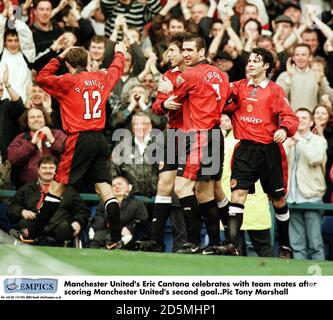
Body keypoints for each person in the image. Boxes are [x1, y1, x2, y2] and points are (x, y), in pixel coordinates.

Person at [11, 43, 127, 250]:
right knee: (105, 189)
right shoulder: (101, 78)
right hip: (100, 140)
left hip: (79, 138)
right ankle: (115, 239)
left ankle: (33, 234)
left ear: (69, 64)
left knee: (57, 186)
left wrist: (59, 57)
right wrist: (119, 52)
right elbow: (117, 68)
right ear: (86, 61)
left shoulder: (68, 80)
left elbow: (42, 77)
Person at [221, 47, 299, 259]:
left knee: (278, 200)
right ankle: (232, 245)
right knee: (237, 195)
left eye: (256, 61)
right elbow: (221, 99)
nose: (251, 64)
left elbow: (290, 117)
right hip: (245, 148)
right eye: (249, 61)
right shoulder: (237, 87)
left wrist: (284, 129)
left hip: (268, 150)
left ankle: (285, 246)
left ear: (266, 66)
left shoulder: (275, 91)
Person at [161, 34, 230, 254]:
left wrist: (165, 92)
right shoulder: (221, 75)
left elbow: (174, 101)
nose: (186, 54)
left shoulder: (189, 75)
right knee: (205, 192)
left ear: (202, 52)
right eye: (185, 50)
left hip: (199, 135)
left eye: (191, 50)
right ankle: (218, 244)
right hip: (215, 134)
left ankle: (192, 242)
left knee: (181, 186)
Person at [134, 32, 187, 252]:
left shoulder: (198, 74)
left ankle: (189, 242)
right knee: (165, 185)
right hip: (173, 134)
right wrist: (166, 104)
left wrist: (173, 93)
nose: (167, 55)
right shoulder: (167, 75)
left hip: (196, 136)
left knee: (195, 191)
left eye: (171, 50)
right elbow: (157, 107)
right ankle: (156, 242)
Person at [9, 155, 89, 246]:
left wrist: (78, 222)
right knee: (24, 223)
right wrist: (22, 212)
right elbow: (12, 207)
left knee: (65, 227)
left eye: (51, 168)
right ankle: (37, 238)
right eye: (44, 168)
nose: (48, 171)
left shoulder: (68, 190)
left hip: (59, 230)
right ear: (38, 170)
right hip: (33, 225)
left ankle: (40, 238)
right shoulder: (26, 189)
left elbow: (83, 211)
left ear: (57, 171)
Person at [284, 108, 326, 260]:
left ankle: (321, 279)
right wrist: (288, 145)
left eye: (304, 117)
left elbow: (314, 158)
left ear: (311, 122)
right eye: (297, 117)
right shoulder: (289, 140)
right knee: (296, 245)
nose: (300, 120)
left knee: (316, 244)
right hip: (292, 198)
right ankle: (300, 276)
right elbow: (279, 162)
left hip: (311, 197)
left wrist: (299, 141)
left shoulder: (319, 141)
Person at [89, 176, 149, 249]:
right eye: (113, 185)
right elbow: (99, 216)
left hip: (126, 234)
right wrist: (94, 228)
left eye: (120, 184)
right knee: (97, 238)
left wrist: (129, 228)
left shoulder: (137, 204)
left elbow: (142, 220)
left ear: (129, 187)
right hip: (106, 231)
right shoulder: (104, 202)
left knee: (111, 239)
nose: (117, 187)